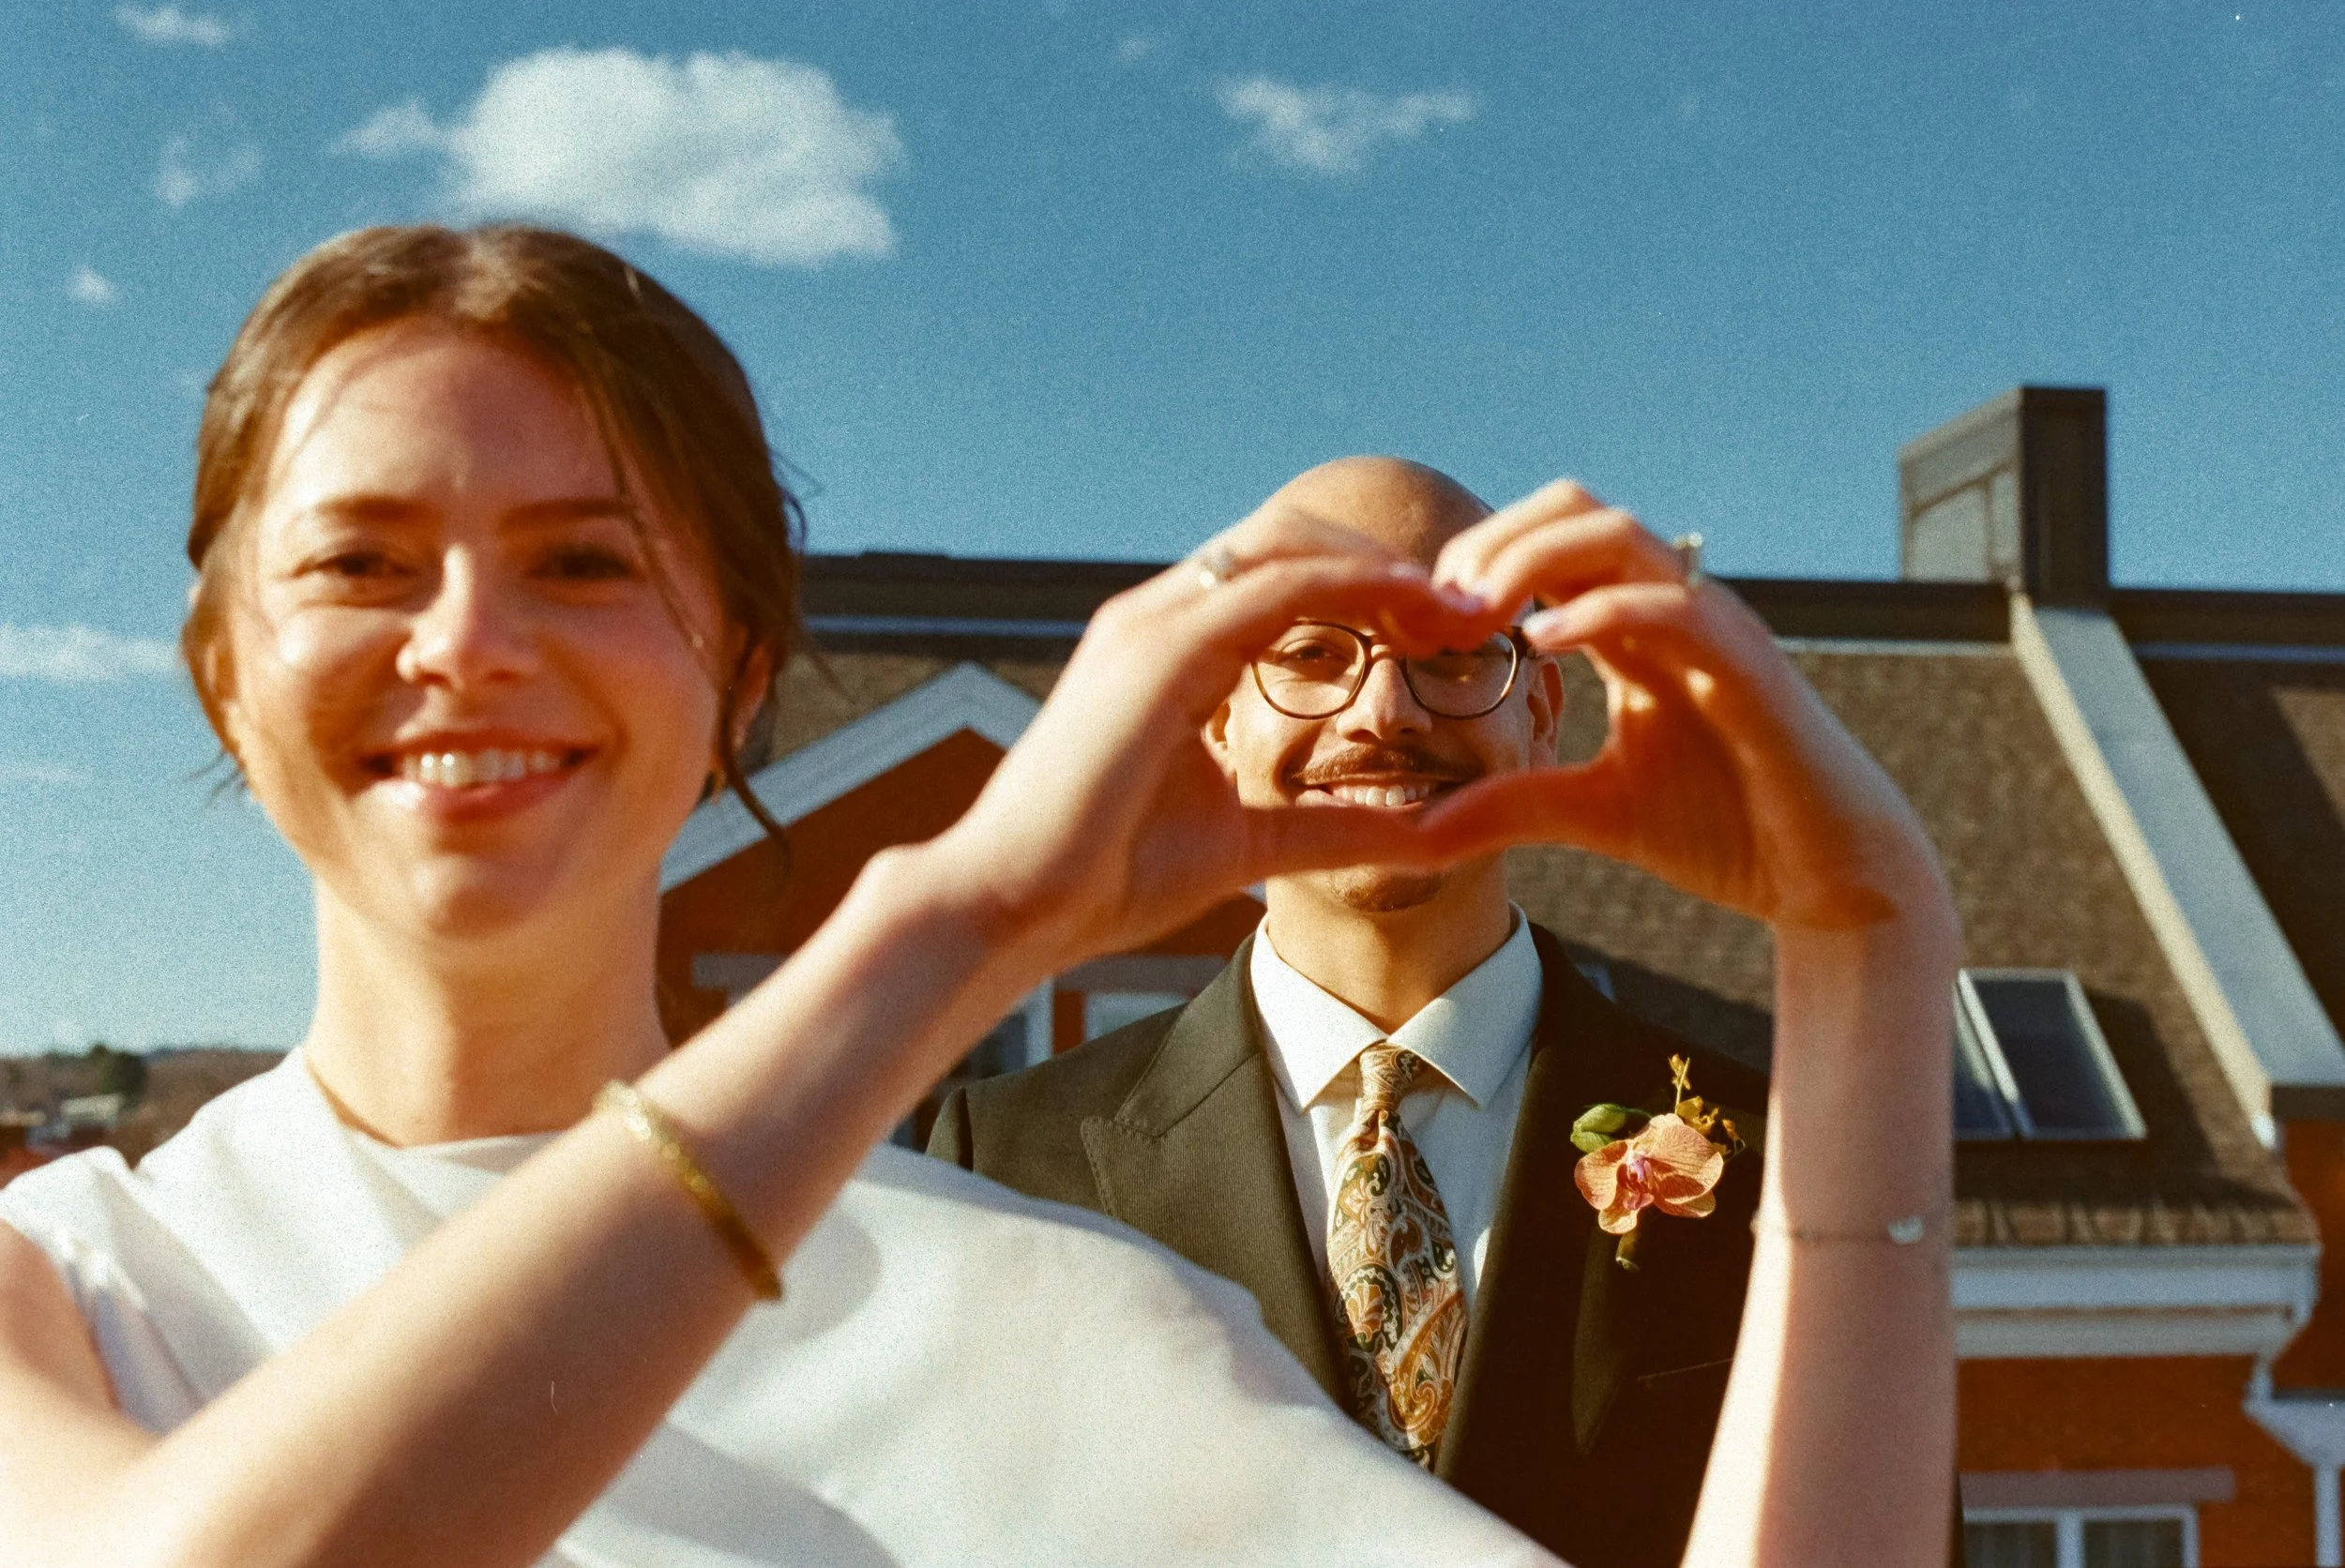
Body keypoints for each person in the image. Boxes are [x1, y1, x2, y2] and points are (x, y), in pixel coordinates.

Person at [0, 224, 1955, 1568]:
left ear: (739, 672)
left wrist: (1867, 956)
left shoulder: (1048, 1313)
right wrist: (961, 919)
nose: (468, 643)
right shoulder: (62, 1299)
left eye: (583, 562)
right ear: (220, 673)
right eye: (356, 563)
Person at [936, 456, 1963, 1565]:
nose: (1383, 710)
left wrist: (1867, 931)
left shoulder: (1781, 1158)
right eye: (1311, 653)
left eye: (1449, 652)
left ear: (1541, 712)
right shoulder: (1009, 1166)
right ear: (1219, 719)